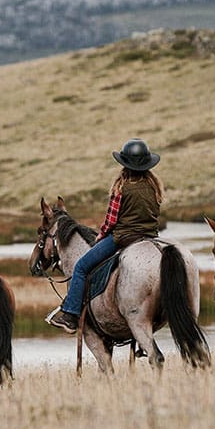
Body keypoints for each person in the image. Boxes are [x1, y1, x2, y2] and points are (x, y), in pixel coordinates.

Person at [46, 138, 164, 333]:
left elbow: (110, 222)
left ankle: (71, 314)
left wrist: (100, 237)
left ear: (125, 165)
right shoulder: (154, 186)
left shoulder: (121, 188)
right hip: (150, 238)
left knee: (82, 266)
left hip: (124, 237)